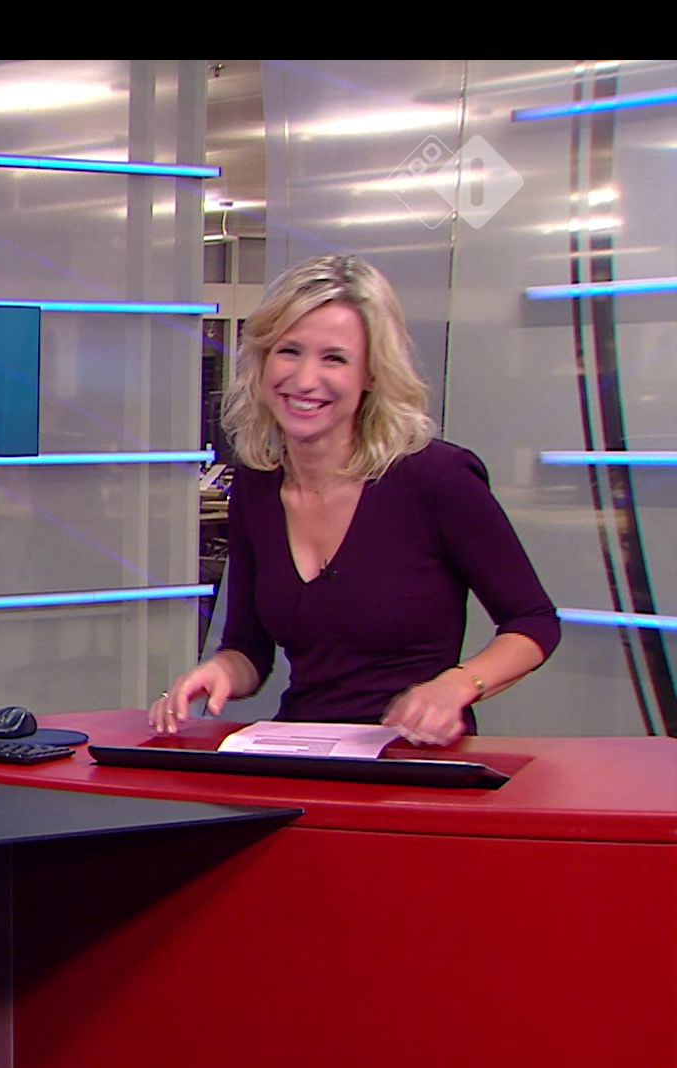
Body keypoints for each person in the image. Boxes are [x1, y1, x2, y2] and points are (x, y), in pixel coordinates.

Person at [150, 255, 558, 745]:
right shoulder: (257, 487)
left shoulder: (437, 479)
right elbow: (249, 649)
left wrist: (457, 686)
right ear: (261, 361)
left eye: (334, 359)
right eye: (289, 351)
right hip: (301, 749)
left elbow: (533, 623)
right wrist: (218, 672)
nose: (304, 379)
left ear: (371, 374)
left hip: (414, 757)